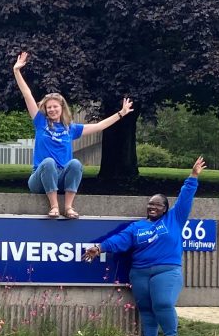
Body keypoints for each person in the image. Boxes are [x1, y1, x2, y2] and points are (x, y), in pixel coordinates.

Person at [83, 156, 207, 336]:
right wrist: (99, 248)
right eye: (150, 204)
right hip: (139, 272)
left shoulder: (174, 219)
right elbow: (119, 240)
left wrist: (193, 176)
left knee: (163, 303)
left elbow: (185, 198)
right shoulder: (137, 227)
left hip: (166, 271)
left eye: (157, 205)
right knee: (146, 308)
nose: (153, 207)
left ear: (165, 209)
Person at [13, 51, 134, 218]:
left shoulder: (71, 128)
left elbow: (99, 126)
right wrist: (17, 71)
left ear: (61, 108)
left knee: (76, 163)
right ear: (45, 110)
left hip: (61, 177)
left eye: (55, 106)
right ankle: (54, 206)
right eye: (49, 107)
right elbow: (27, 95)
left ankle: (69, 207)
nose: (52, 109)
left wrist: (121, 113)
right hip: (39, 179)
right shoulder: (40, 122)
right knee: (48, 162)